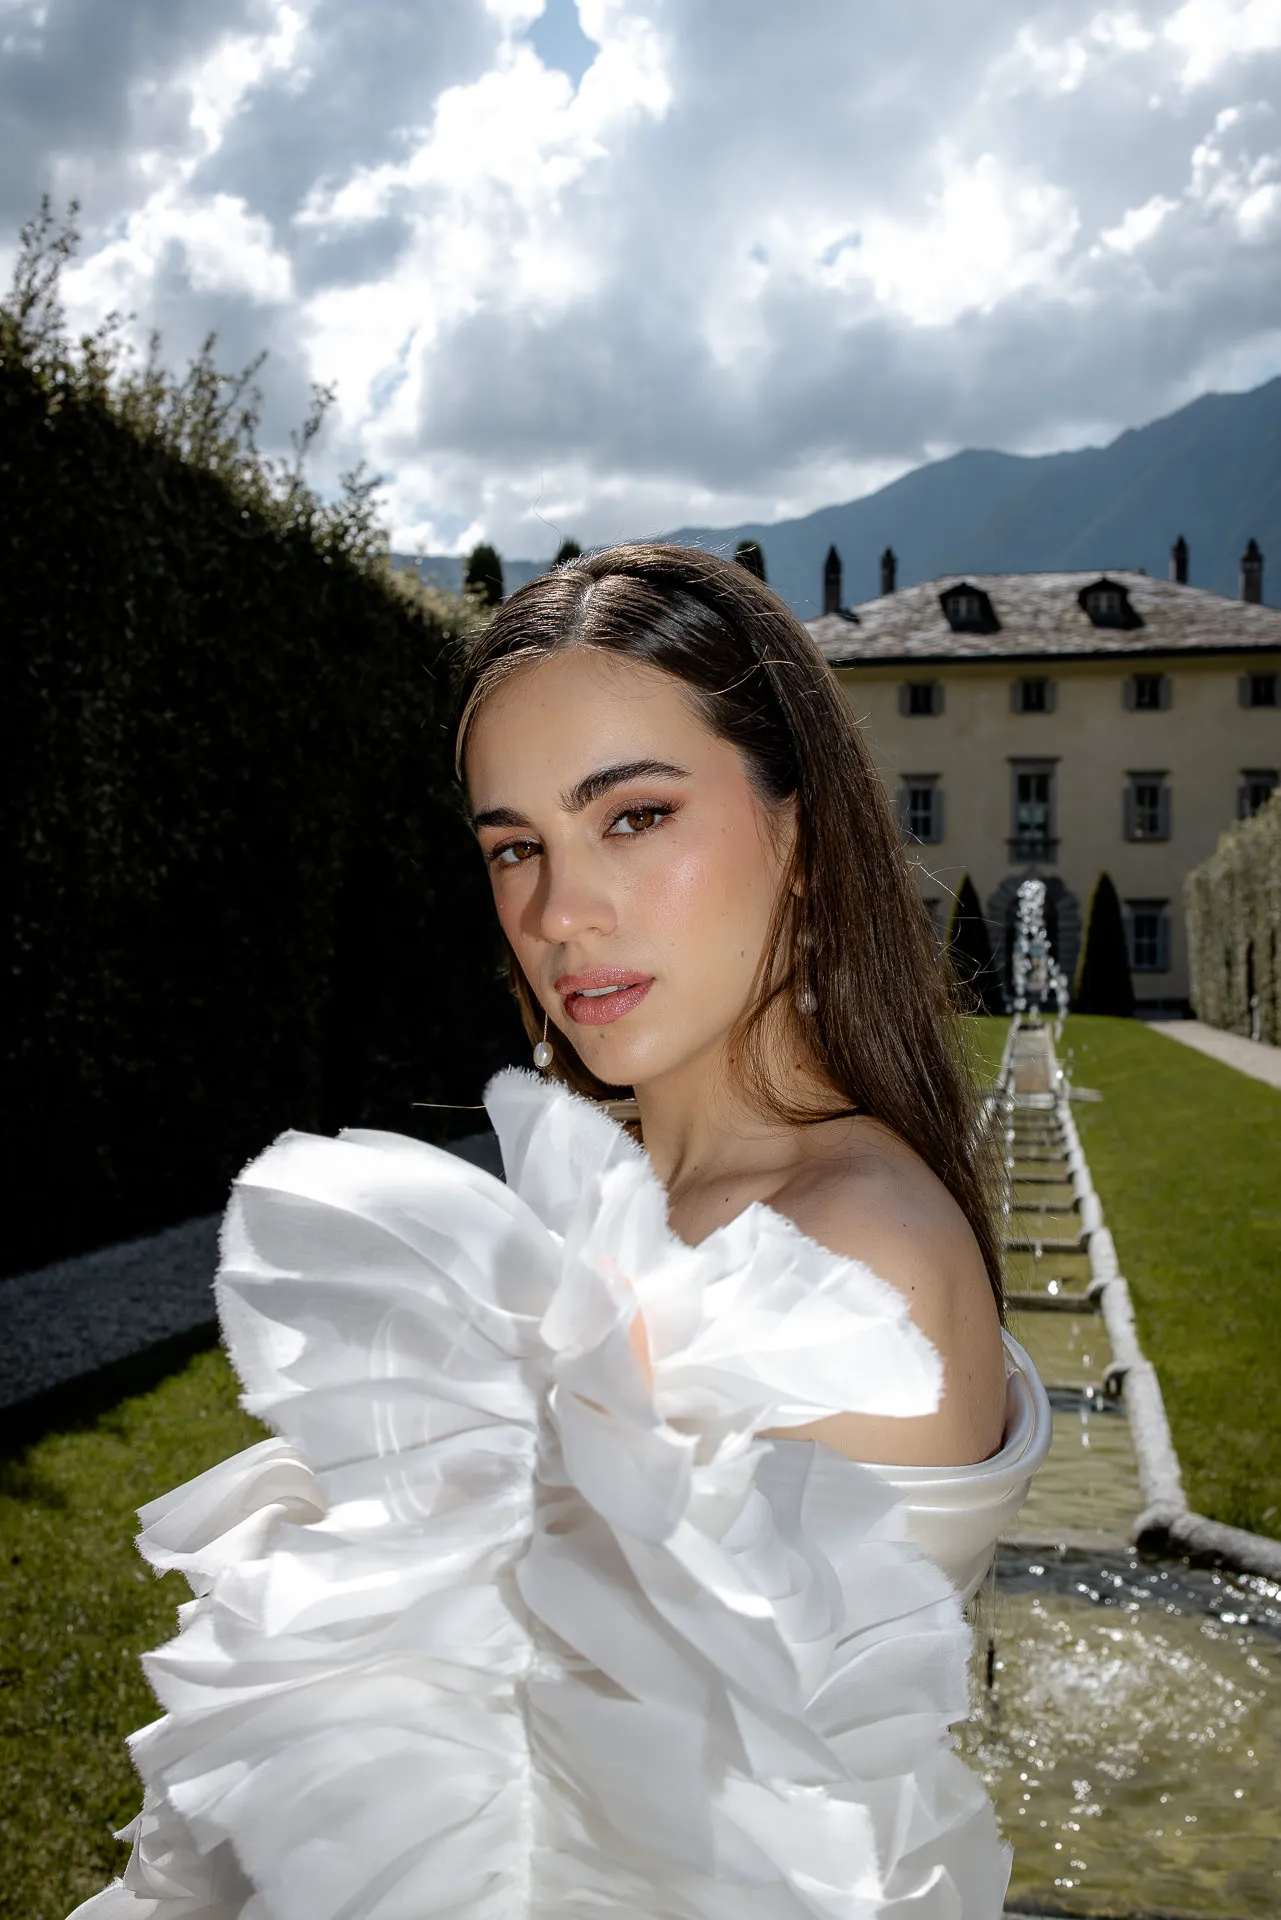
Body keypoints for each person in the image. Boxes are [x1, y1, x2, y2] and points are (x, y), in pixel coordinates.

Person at [70, 543, 1050, 1919]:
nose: (557, 912)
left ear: (803, 828)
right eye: (515, 847)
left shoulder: (849, 1252)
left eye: (635, 817)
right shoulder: (631, 1210)